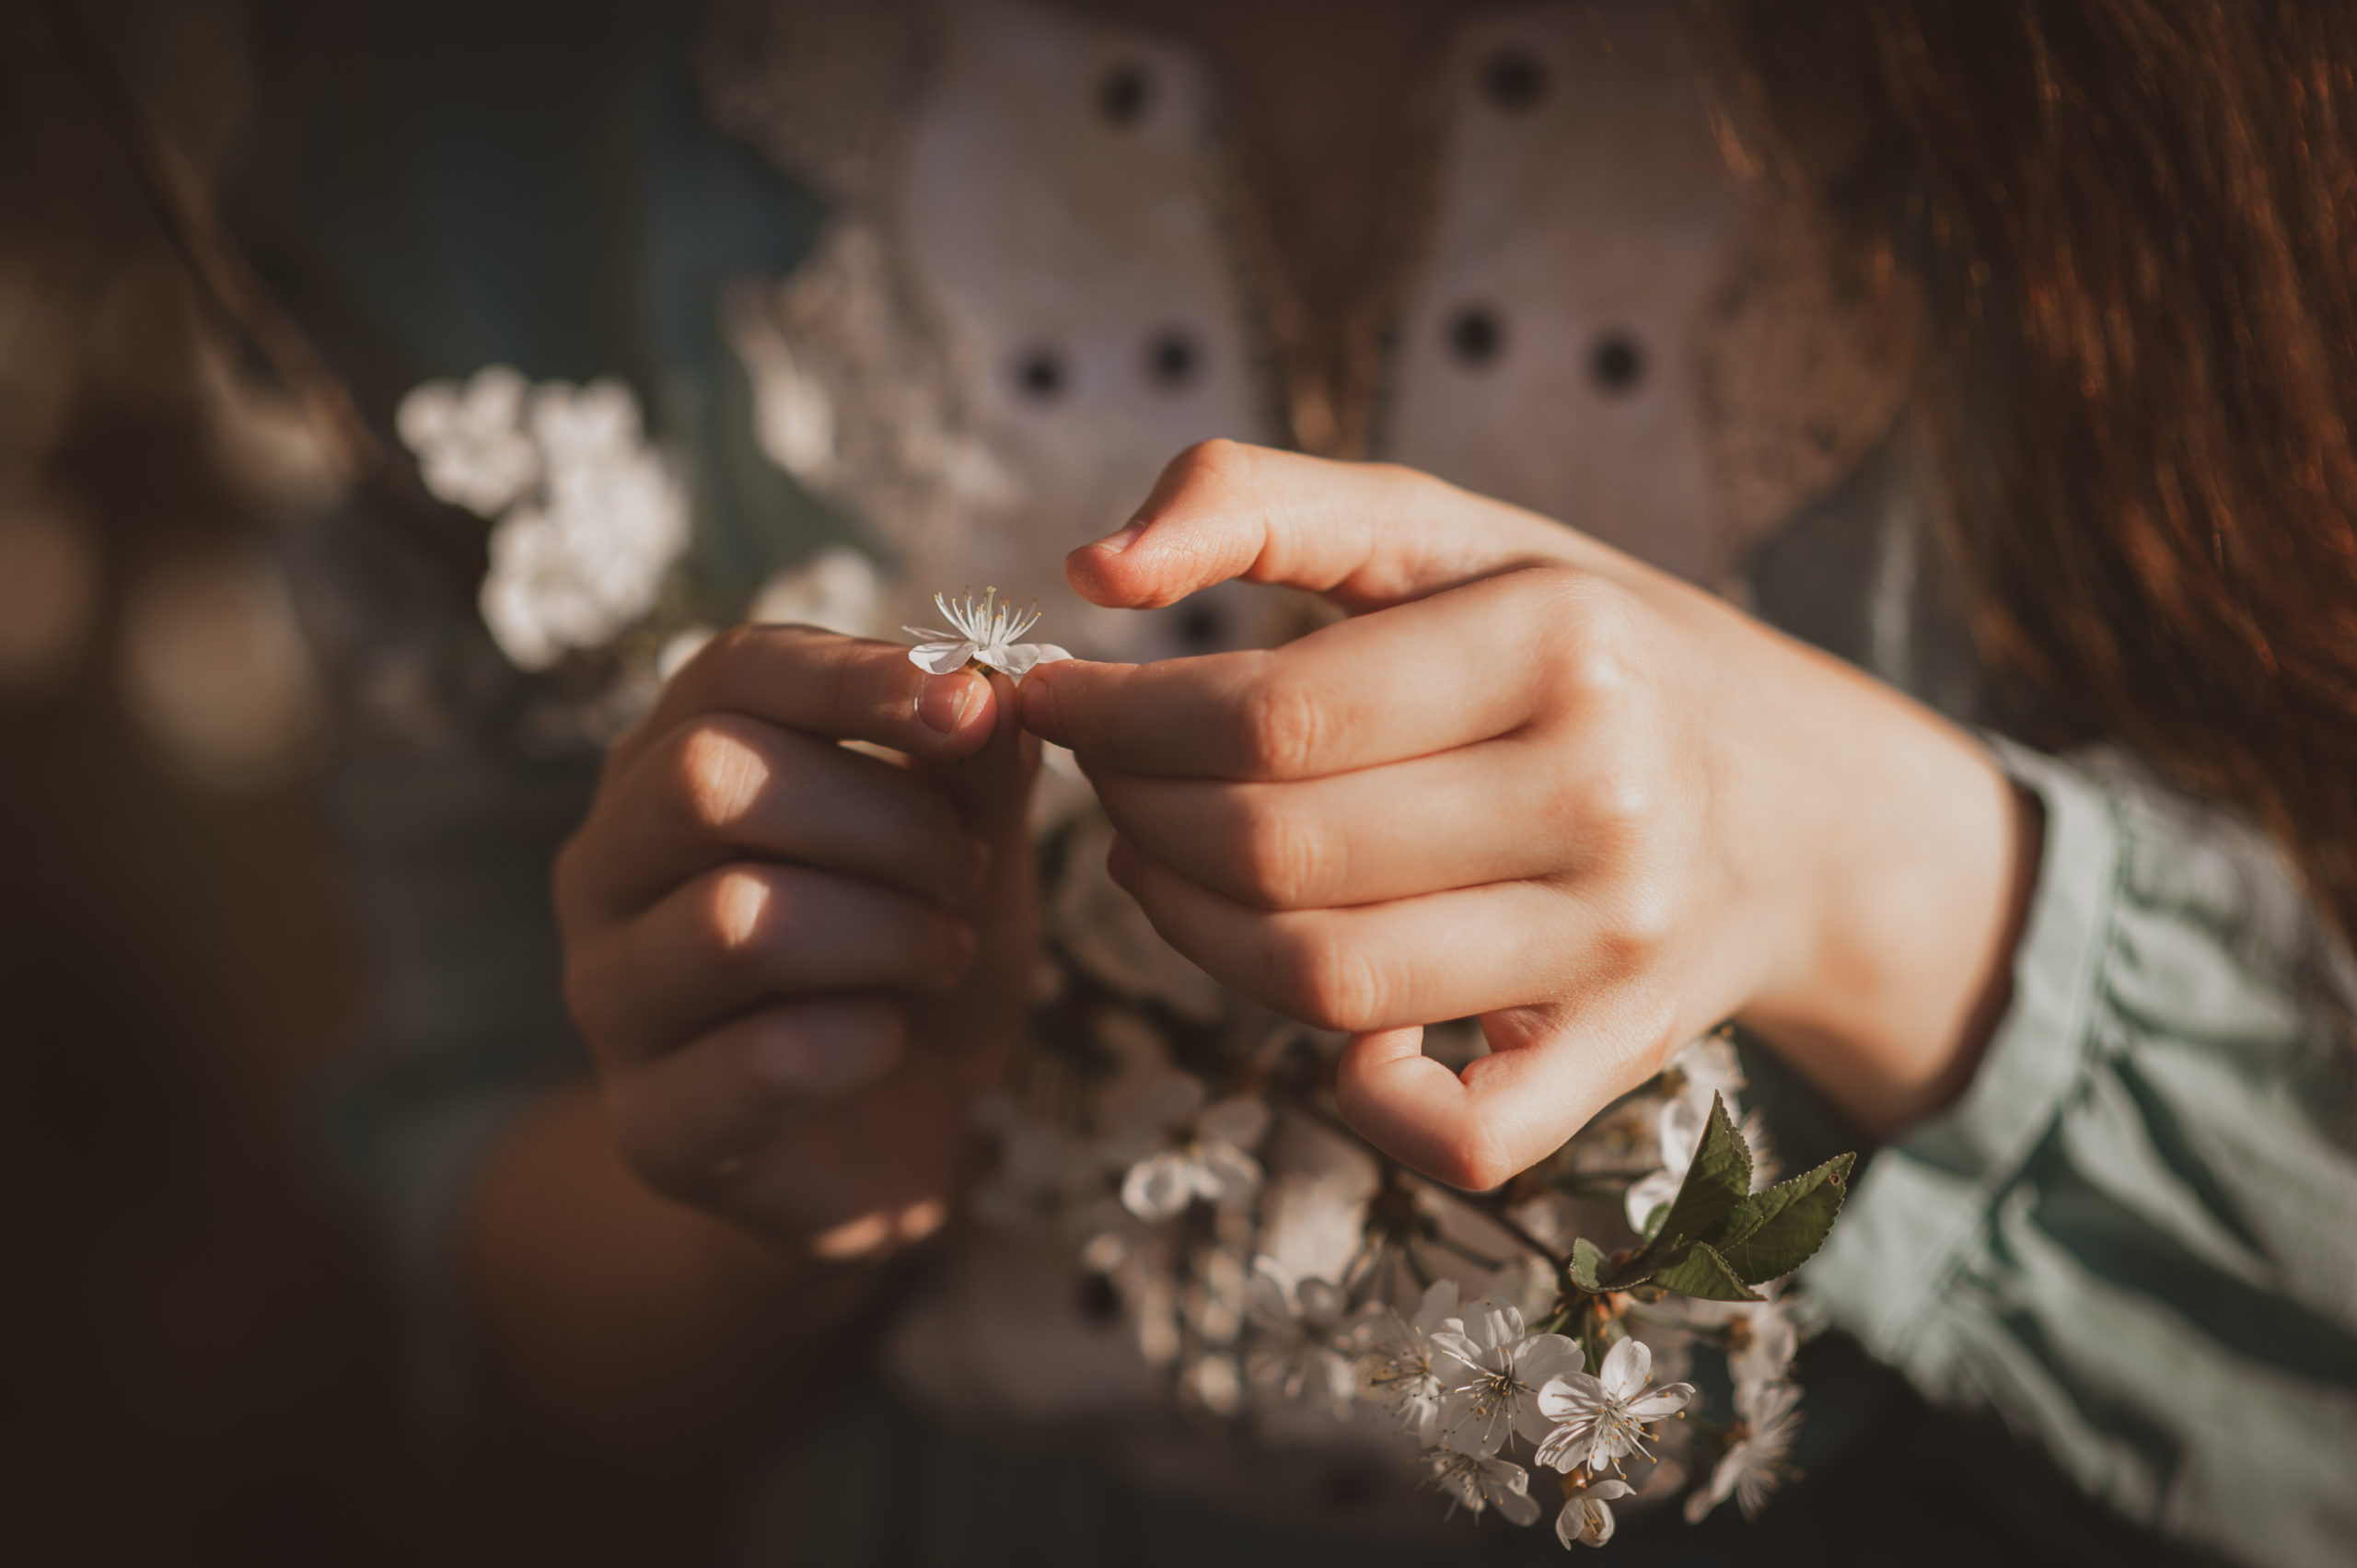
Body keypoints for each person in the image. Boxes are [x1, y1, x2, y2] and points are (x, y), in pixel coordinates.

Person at [244, 1, 2357, 1562]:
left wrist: (1856, 869)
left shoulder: (2198, 113)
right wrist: (767, 1174)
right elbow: (512, 1319)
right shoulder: (499, 130)